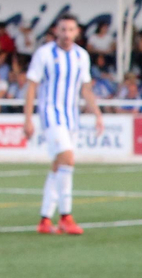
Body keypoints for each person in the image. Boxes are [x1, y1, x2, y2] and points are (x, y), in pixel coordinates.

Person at [23, 15, 103, 236]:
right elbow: (31, 87)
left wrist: (97, 113)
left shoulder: (81, 56)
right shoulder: (45, 54)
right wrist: (27, 118)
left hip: (71, 117)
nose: (67, 34)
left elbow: (85, 89)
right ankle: (66, 216)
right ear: (56, 31)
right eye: (63, 30)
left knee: (58, 166)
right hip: (51, 115)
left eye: (71, 30)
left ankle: (44, 219)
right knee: (68, 159)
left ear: (76, 32)